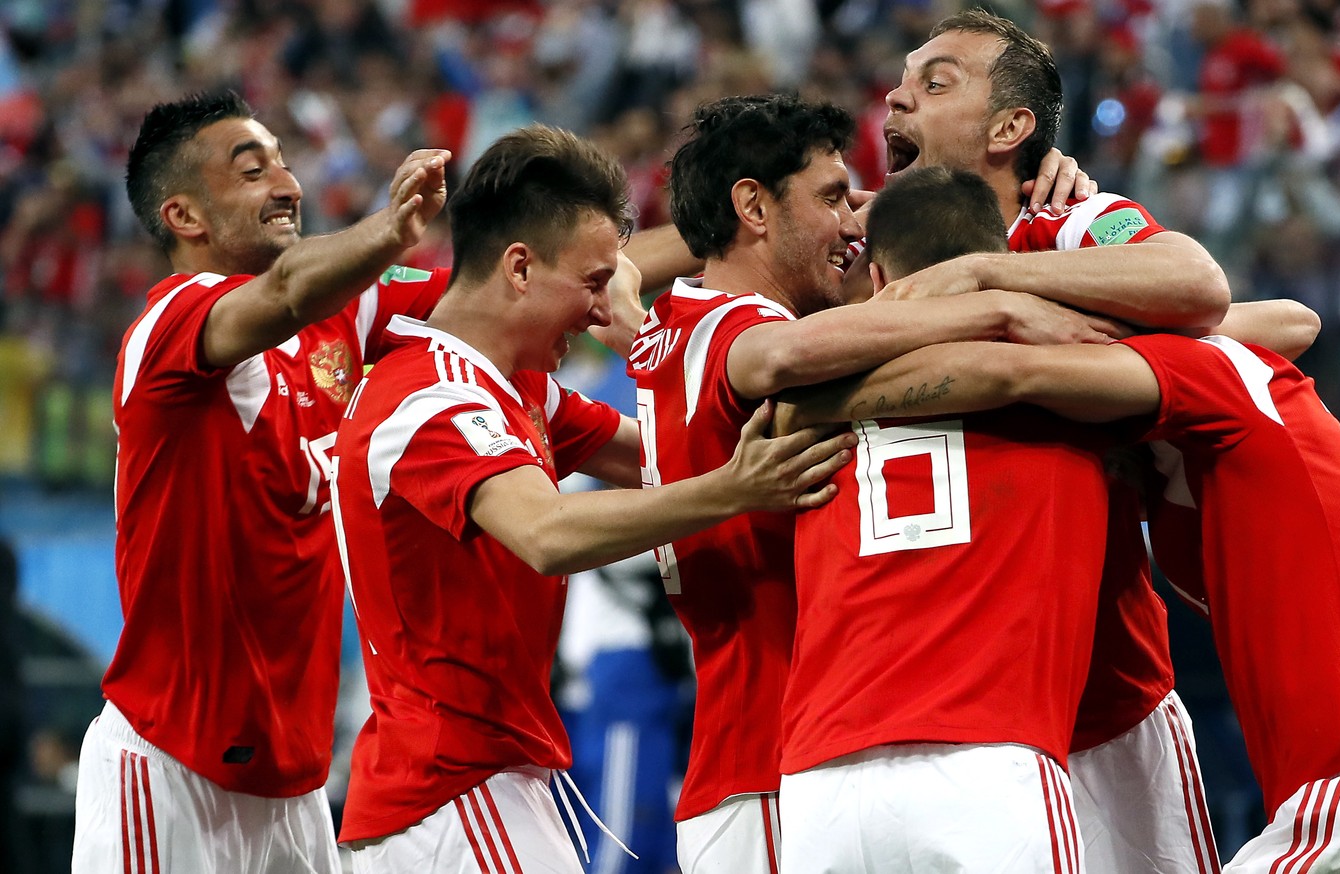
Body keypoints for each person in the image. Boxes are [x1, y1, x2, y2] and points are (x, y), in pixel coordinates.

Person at [781, 166, 1340, 874]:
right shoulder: (1223, 409)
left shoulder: (1218, 379)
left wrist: (817, 397)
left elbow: (1017, 373)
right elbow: (1283, 321)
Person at [331, 124, 853, 874]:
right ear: (518, 269)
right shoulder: (427, 396)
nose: (598, 309)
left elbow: (667, 455)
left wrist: (809, 218)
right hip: (451, 787)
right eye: (590, 283)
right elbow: (547, 532)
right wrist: (734, 488)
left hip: (482, 778)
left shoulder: (515, 385)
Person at [626, 93, 1114, 874]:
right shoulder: (736, 329)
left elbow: (898, 260)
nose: (852, 224)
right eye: (830, 199)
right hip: (781, 759)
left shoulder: (666, 329)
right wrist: (1001, 304)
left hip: (764, 757)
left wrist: (1008, 190)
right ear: (751, 205)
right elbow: (778, 359)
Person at [879, 12, 1233, 871]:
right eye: (901, 81)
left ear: (1011, 130)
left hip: (1100, 709)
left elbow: (1195, 282)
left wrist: (989, 269)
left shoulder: (1070, 222)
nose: (895, 95)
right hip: (923, 714)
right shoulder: (860, 248)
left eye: (935, 82)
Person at [73, 89, 451, 874]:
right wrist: (390, 229)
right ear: (186, 217)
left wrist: (703, 245)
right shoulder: (167, 329)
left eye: (284, 161)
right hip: (170, 770)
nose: (289, 185)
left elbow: (507, 293)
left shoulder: (334, 315)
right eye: (254, 171)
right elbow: (280, 293)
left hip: (294, 782)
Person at [774, 164, 1127, 874]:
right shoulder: (1072, 373)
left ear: (875, 280)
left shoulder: (799, 402)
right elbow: (1275, 323)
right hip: (990, 761)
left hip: (823, 782)